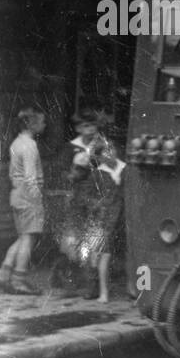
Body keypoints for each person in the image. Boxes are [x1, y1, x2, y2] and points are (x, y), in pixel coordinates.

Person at [63, 110, 125, 301]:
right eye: (85, 125)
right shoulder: (73, 149)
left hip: (100, 203)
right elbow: (70, 175)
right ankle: (76, 283)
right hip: (83, 199)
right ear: (78, 127)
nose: (90, 129)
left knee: (96, 247)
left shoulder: (102, 150)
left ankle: (95, 286)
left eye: (93, 125)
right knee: (78, 243)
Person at [0, 107, 46, 295]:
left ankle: (2, 275)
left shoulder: (17, 143)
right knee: (28, 238)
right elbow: (30, 176)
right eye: (41, 122)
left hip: (17, 194)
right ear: (31, 124)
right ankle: (18, 280)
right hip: (28, 196)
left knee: (23, 237)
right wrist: (37, 197)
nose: (44, 125)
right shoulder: (30, 146)